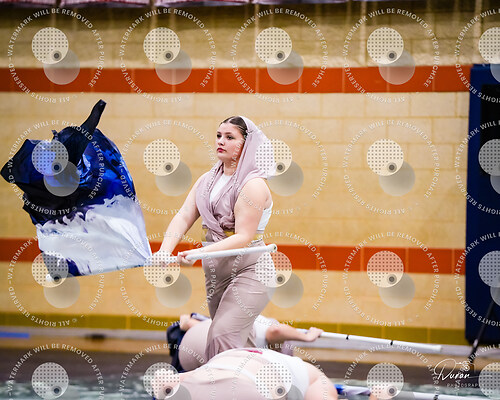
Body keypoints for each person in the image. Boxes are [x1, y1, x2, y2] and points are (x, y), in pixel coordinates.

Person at [159, 116, 274, 361]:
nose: (221, 141)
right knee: (238, 339)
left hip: (252, 270)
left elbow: (243, 237)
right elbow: (184, 215)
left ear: (246, 144)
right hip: (216, 271)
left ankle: (218, 382)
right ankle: (258, 378)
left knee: (221, 334)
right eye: (219, 135)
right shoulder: (206, 180)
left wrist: (198, 253)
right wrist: (164, 250)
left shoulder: (253, 185)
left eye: (230, 137)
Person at [152, 347, 339, 400]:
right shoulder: (312, 375)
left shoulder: (230, 355)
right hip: (250, 386)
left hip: (200, 381)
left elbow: (162, 379)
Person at [166, 313, 324, 372]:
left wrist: (186, 321)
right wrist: (308, 337)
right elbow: (276, 331)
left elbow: (186, 322)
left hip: (192, 350)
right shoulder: (268, 335)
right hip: (202, 350)